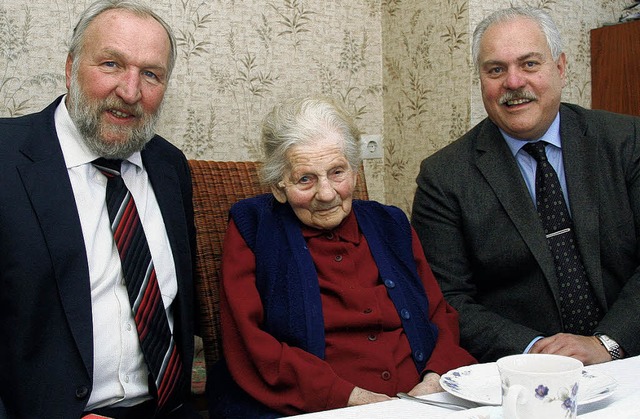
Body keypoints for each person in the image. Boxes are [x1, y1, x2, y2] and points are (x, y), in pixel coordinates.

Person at [205, 97, 476, 418]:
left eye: (337, 172)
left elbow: (438, 313)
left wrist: (432, 383)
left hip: (419, 399)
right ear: (279, 187)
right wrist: (353, 398)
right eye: (305, 178)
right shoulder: (253, 226)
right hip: (312, 407)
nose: (327, 193)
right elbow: (248, 340)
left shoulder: (391, 223)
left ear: (355, 170)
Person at [0, 1, 199, 417]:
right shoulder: (6, 159)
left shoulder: (169, 167)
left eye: (151, 74)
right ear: (71, 67)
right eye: (111, 64)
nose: (130, 92)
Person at [411, 6, 640, 366]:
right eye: (496, 70)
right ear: (481, 79)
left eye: (530, 64)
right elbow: (447, 297)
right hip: (521, 376)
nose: (514, 82)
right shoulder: (444, 177)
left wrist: (606, 344)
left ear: (561, 68)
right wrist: (536, 350)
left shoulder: (628, 142)